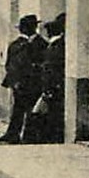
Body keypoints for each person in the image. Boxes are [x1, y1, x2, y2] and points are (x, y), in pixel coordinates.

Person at [0, 14, 42, 144]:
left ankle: (29, 136)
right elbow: (9, 64)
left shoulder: (41, 44)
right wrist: (14, 81)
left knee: (31, 110)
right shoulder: (15, 45)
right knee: (17, 109)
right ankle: (13, 134)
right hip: (18, 83)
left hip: (34, 83)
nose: (23, 30)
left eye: (26, 27)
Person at [33, 14, 67, 144]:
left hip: (53, 85)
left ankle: (49, 138)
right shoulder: (54, 45)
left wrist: (48, 88)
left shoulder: (56, 46)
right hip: (51, 85)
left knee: (49, 113)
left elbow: (51, 68)